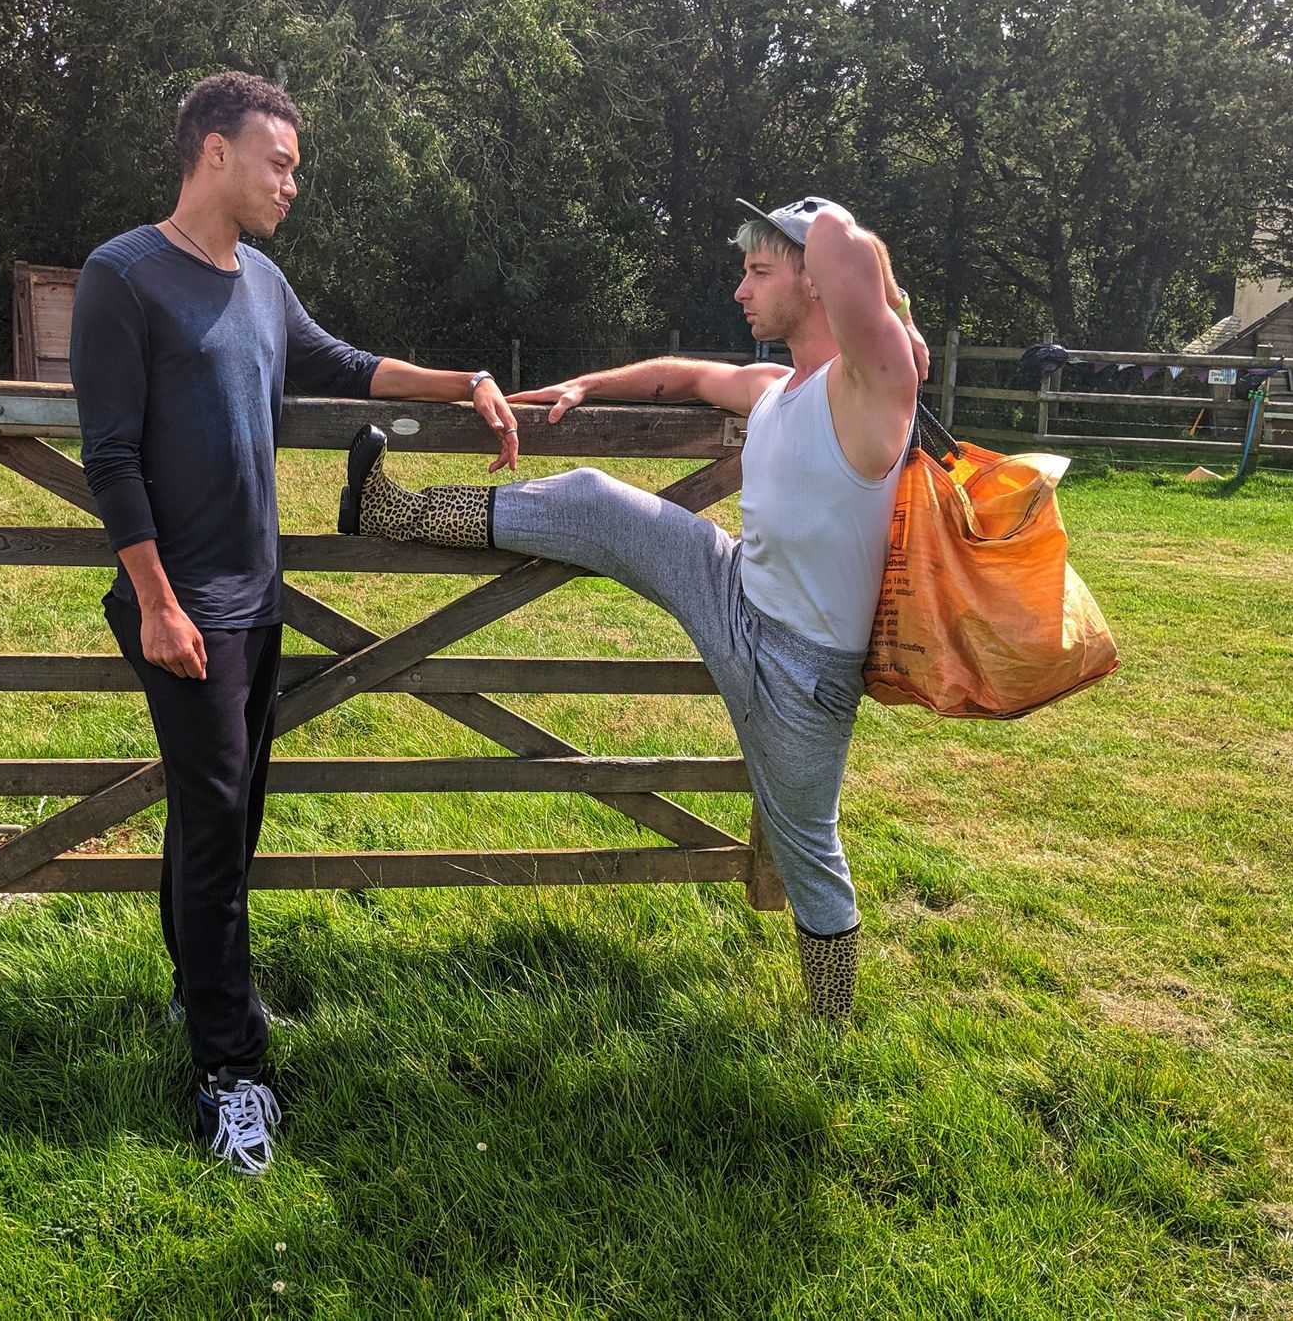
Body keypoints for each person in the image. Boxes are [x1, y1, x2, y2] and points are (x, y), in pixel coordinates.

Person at [70, 71, 520, 1175]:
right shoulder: (122, 276)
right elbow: (109, 458)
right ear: (213, 151)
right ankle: (232, 1071)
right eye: (279, 163)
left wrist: (463, 381)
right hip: (183, 611)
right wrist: (159, 605)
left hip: (255, 601)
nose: (291, 185)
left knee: (220, 822)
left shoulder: (262, 282)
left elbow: (346, 365)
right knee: (218, 828)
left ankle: (196, 993)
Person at [338, 196, 927, 1023]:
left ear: (817, 283)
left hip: (803, 673)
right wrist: (586, 383)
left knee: (806, 849)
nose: (740, 290)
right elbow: (681, 376)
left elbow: (843, 245)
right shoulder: (775, 387)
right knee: (593, 500)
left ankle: (831, 1025)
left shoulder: (873, 391)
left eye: (759, 271)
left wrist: (827, 230)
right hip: (730, 585)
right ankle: (394, 512)